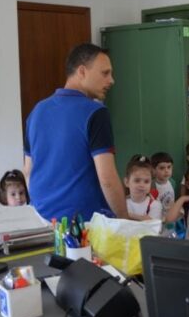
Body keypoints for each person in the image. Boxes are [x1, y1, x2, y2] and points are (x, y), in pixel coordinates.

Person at [23, 43, 128, 221]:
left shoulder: (37, 111)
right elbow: (107, 179)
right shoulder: (95, 112)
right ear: (82, 71)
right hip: (83, 227)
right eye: (105, 73)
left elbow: (28, 171)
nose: (111, 80)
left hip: (42, 221)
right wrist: (124, 219)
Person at [124, 155, 162, 221]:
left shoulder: (155, 205)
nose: (142, 185)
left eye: (146, 181)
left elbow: (152, 226)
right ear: (127, 182)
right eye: (137, 180)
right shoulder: (122, 204)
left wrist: (128, 215)